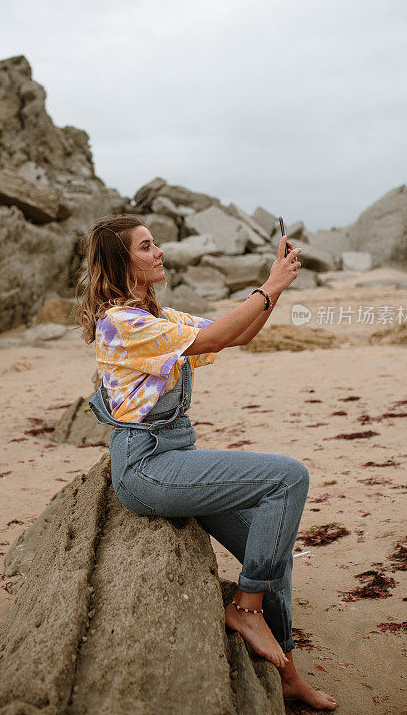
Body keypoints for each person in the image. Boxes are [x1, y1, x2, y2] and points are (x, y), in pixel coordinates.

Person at [77, 214, 338, 711]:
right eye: (147, 246)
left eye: (156, 244)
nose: (159, 252)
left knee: (275, 551)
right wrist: (269, 285)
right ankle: (245, 608)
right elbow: (217, 338)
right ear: (121, 260)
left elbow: (233, 334)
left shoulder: (157, 319)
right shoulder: (121, 323)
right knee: (288, 477)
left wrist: (274, 287)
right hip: (147, 465)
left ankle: (286, 674)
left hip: (177, 455)